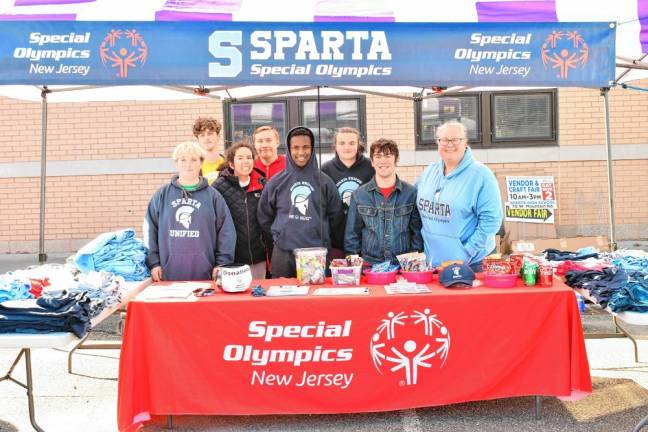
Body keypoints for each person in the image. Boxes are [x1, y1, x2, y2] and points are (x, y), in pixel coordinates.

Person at [257, 126, 344, 278]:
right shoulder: (276, 181)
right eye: (295, 147)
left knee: (314, 300)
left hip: (316, 254)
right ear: (289, 150)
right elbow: (264, 216)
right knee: (282, 299)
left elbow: (336, 219)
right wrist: (279, 237)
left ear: (312, 149)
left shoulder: (324, 182)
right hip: (283, 254)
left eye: (306, 147)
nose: (301, 152)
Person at [416, 121, 502, 272]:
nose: (449, 144)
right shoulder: (429, 172)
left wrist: (466, 252)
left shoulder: (481, 175)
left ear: (465, 142)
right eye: (444, 140)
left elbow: (491, 221)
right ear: (438, 142)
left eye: (455, 139)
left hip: (471, 264)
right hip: (432, 264)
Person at [144, 141, 236, 281]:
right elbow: (150, 230)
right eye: (183, 159)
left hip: (205, 273)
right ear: (176, 163)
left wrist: (222, 263)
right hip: (168, 273)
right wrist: (154, 263)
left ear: (201, 163)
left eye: (194, 159)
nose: (188, 164)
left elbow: (226, 232)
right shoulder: (162, 195)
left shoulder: (213, 196)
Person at [345, 138, 423, 265]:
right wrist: (355, 267)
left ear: (396, 160)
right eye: (378, 156)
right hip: (369, 267)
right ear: (372, 161)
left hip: (402, 266)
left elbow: (417, 234)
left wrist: (412, 264)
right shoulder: (359, 195)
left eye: (388, 156)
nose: (383, 161)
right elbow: (352, 236)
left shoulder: (411, 193)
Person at [214, 142, 269, 280]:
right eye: (240, 158)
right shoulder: (218, 187)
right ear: (231, 164)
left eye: (249, 157)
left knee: (258, 295)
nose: (246, 161)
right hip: (232, 260)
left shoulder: (263, 185)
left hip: (258, 258)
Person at [193, 117, 225, 185]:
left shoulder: (229, 164)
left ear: (218, 136)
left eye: (210, 133)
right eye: (202, 135)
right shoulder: (194, 167)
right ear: (198, 139)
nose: (206, 138)